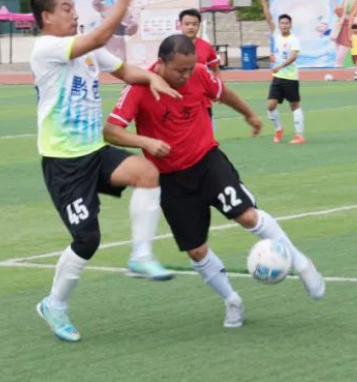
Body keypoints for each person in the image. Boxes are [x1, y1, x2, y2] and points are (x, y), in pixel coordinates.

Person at [105, 34, 325, 329]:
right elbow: (111, 131)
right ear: (161, 64)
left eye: (189, 69)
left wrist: (249, 115)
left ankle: (301, 263)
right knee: (196, 250)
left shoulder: (198, 74)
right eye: (179, 70)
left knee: (247, 216)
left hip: (207, 162)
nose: (186, 76)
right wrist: (145, 141)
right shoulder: (138, 87)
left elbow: (224, 93)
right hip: (170, 179)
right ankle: (232, 300)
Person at [29, 0, 180, 343]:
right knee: (87, 240)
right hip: (64, 163)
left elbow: (126, 71)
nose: (73, 14)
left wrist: (151, 77)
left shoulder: (86, 49)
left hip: (94, 152)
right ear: (47, 17)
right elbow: (99, 36)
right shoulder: (46, 48)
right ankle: (54, 305)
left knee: (147, 173)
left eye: (73, 7)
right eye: (66, 9)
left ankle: (141, 256)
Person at [259, 0, 305, 145]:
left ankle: (299, 135)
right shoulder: (277, 36)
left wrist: (279, 66)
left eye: (286, 23)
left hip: (290, 77)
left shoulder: (294, 39)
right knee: (270, 106)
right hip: (277, 78)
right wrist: (264, 1)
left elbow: (293, 57)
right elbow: (268, 18)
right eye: (282, 23)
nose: (284, 25)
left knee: (294, 105)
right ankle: (279, 129)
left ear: (290, 25)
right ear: (279, 25)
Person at [178, 8, 220, 72]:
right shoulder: (171, 45)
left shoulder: (207, 46)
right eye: (187, 24)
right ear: (181, 25)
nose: (191, 27)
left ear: (199, 26)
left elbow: (216, 70)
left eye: (194, 24)